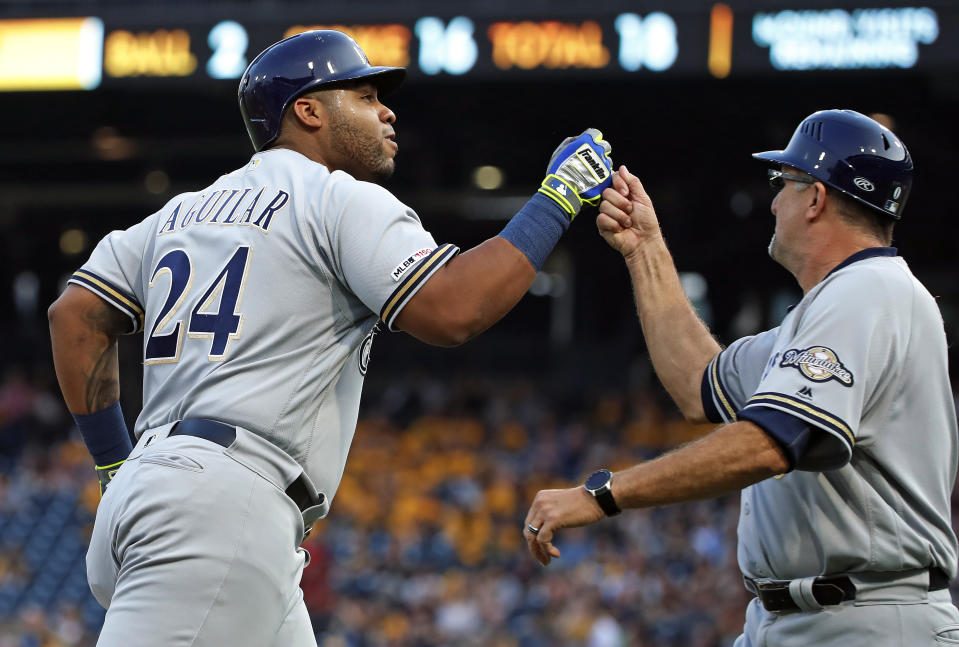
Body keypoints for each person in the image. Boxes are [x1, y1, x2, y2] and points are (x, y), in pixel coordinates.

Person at [47, 30, 613, 647]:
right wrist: (557, 198)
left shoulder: (179, 212)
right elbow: (455, 309)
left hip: (174, 495)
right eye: (366, 95)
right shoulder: (336, 197)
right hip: (219, 510)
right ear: (309, 111)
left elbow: (74, 315)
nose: (387, 110)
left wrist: (111, 462)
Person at [523, 109, 959, 645]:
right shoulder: (824, 314)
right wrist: (645, 250)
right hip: (797, 618)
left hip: (869, 617)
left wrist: (602, 494)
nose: (774, 200)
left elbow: (768, 445)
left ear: (817, 198)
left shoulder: (871, 290)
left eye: (784, 183)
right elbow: (700, 386)